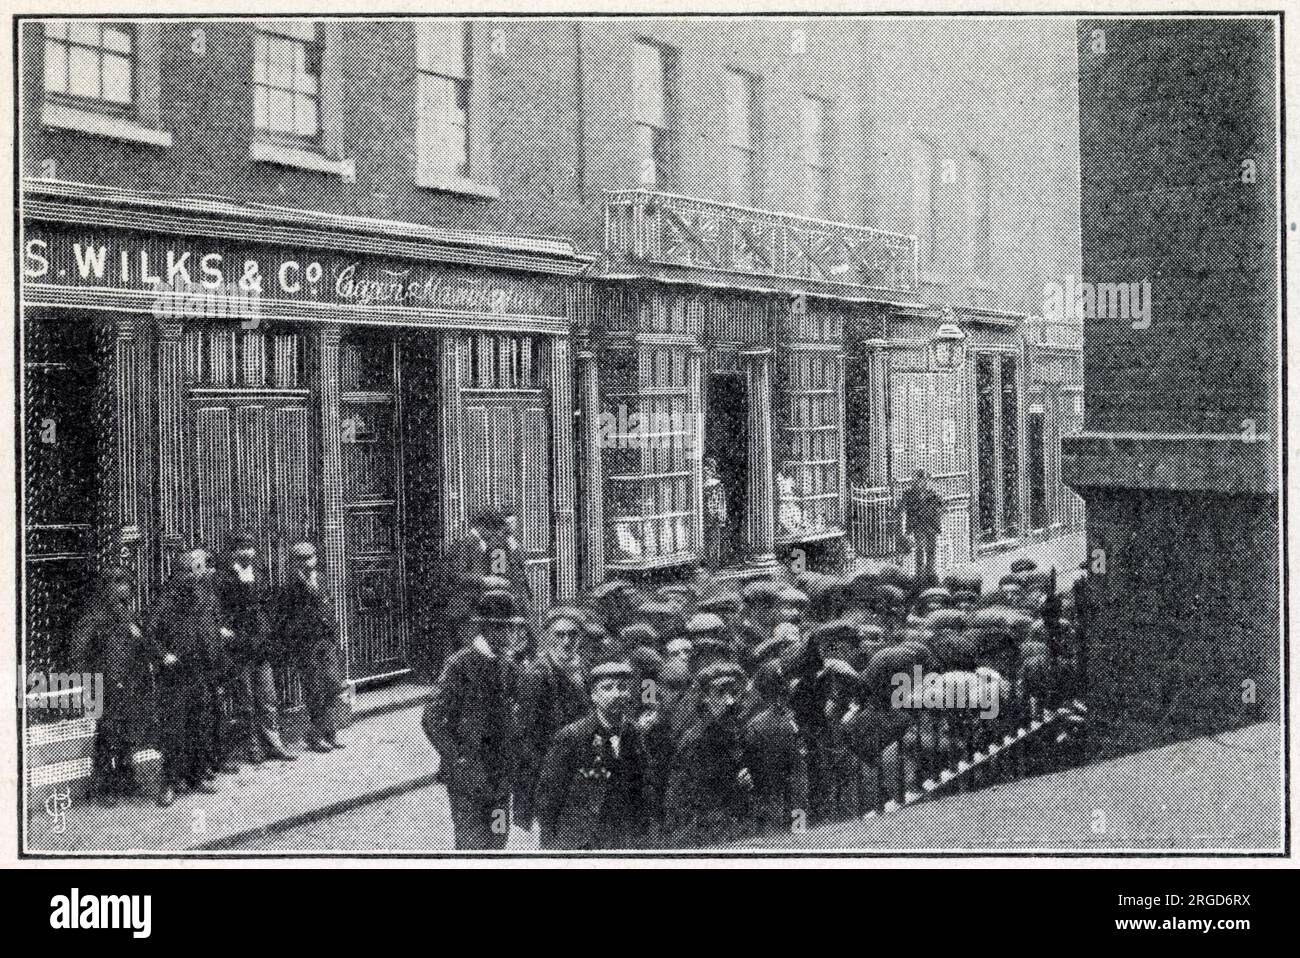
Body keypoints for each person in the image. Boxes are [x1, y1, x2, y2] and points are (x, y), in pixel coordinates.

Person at [423, 587, 528, 850]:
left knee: (498, 840)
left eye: (512, 628)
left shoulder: (511, 668)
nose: (509, 635)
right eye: (502, 628)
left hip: (501, 779)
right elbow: (431, 717)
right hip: (467, 781)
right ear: (485, 628)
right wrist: (458, 758)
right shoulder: (460, 665)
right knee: (471, 846)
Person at [535, 660, 656, 850]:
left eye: (622, 687)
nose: (616, 694)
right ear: (594, 695)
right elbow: (548, 796)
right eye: (607, 688)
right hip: (582, 841)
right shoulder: (574, 736)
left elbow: (645, 786)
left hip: (624, 839)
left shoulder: (635, 734)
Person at [145, 547, 224, 807]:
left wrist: (215, 652)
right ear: (181, 572)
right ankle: (168, 782)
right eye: (193, 569)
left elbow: (214, 625)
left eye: (200, 567)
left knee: (199, 724)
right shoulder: (167, 598)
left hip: (201, 669)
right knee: (174, 728)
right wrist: (163, 655)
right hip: (177, 674)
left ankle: (197, 775)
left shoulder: (207, 595)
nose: (198, 573)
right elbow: (150, 633)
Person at [71, 567, 149, 806]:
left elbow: (139, 644)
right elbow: (79, 651)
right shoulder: (95, 616)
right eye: (118, 584)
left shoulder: (129, 614)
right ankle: (104, 787)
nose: (124, 589)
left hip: (129, 682)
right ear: (108, 588)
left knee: (127, 733)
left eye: (126, 584)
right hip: (105, 685)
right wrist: (86, 684)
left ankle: (125, 779)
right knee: (107, 736)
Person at [217, 532, 294, 765]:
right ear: (233, 553)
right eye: (242, 548)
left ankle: (274, 744)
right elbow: (218, 611)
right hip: (239, 648)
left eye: (250, 547)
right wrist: (225, 630)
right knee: (245, 701)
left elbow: (267, 607)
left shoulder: (258, 574)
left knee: (268, 698)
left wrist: (267, 630)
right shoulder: (223, 579)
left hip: (260, 646)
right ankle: (253, 748)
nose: (248, 552)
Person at [515, 607, 594, 829]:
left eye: (572, 634)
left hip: (586, 766)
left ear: (580, 636)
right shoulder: (538, 675)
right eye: (559, 635)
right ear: (549, 636)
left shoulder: (586, 669)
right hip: (553, 771)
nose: (566, 641)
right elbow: (527, 736)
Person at [663, 661, 755, 847]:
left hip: (735, 826)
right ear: (704, 697)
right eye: (721, 693)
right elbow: (691, 799)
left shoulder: (735, 728)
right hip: (705, 834)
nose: (730, 701)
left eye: (733, 693)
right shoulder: (697, 740)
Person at [275, 542, 347, 752]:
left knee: (333, 685)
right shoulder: (290, 586)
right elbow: (285, 618)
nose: (309, 562)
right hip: (306, 644)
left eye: (311, 557)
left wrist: (334, 634)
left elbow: (329, 606)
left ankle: (328, 732)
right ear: (295, 562)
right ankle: (316, 736)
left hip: (326, 641)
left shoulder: (321, 579)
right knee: (315, 689)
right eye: (303, 559)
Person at [897, 469, 945, 584]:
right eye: (918, 480)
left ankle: (931, 574)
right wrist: (904, 529)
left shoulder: (932, 493)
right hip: (918, 526)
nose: (921, 483)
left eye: (923, 480)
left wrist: (938, 513)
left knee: (931, 549)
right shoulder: (909, 494)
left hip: (931, 525)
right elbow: (901, 509)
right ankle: (919, 575)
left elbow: (942, 506)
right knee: (920, 549)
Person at [702, 457, 728, 569]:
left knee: (714, 538)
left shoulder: (716, 484)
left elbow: (720, 501)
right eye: (704, 470)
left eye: (707, 470)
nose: (705, 472)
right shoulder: (700, 484)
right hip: (705, 514)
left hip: (713, 514)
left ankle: (713, 562)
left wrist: (721, 514)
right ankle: (708, 561)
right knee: (707, 538)